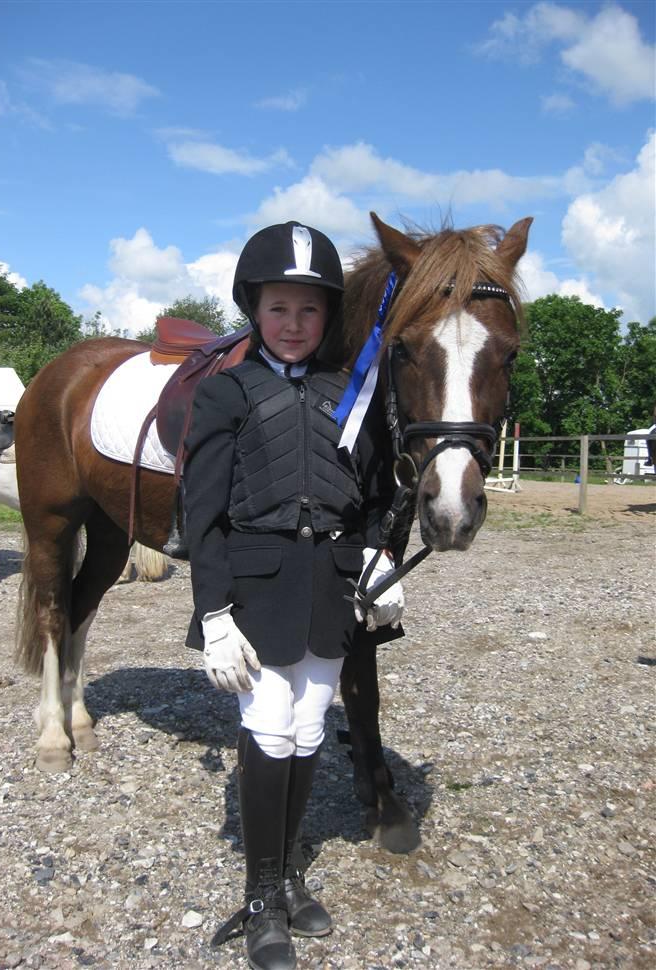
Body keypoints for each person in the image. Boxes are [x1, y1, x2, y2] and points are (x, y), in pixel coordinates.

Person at [183, 222, 405, 970]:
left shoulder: (353, 394)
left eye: (309, 311)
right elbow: (202, 513)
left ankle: (289, 873)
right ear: (255, 308)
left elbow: (375, 495)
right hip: (257, 589)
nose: (294, 324)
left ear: (328, 317)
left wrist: (377, 559)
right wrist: (213, 612)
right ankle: (259, 896)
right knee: (269, 728)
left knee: (310, 727)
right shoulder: (226, 393)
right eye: (280, 308)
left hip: (332, 589)